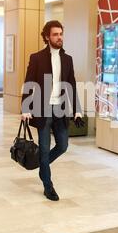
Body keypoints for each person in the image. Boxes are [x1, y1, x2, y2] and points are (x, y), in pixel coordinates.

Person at [21, 20, 84, 201]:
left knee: (63, 146)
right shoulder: (36, 58)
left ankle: (43, 166)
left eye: (61, 34)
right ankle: (48, 186)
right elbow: (28, 83)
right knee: (44, 148)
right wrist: (25, 107)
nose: (59, 37)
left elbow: (71, 85)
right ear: (47, 37)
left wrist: (77, 110)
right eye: (55, 34)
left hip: (61, 109)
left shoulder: (67, 59)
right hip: (42, 109)